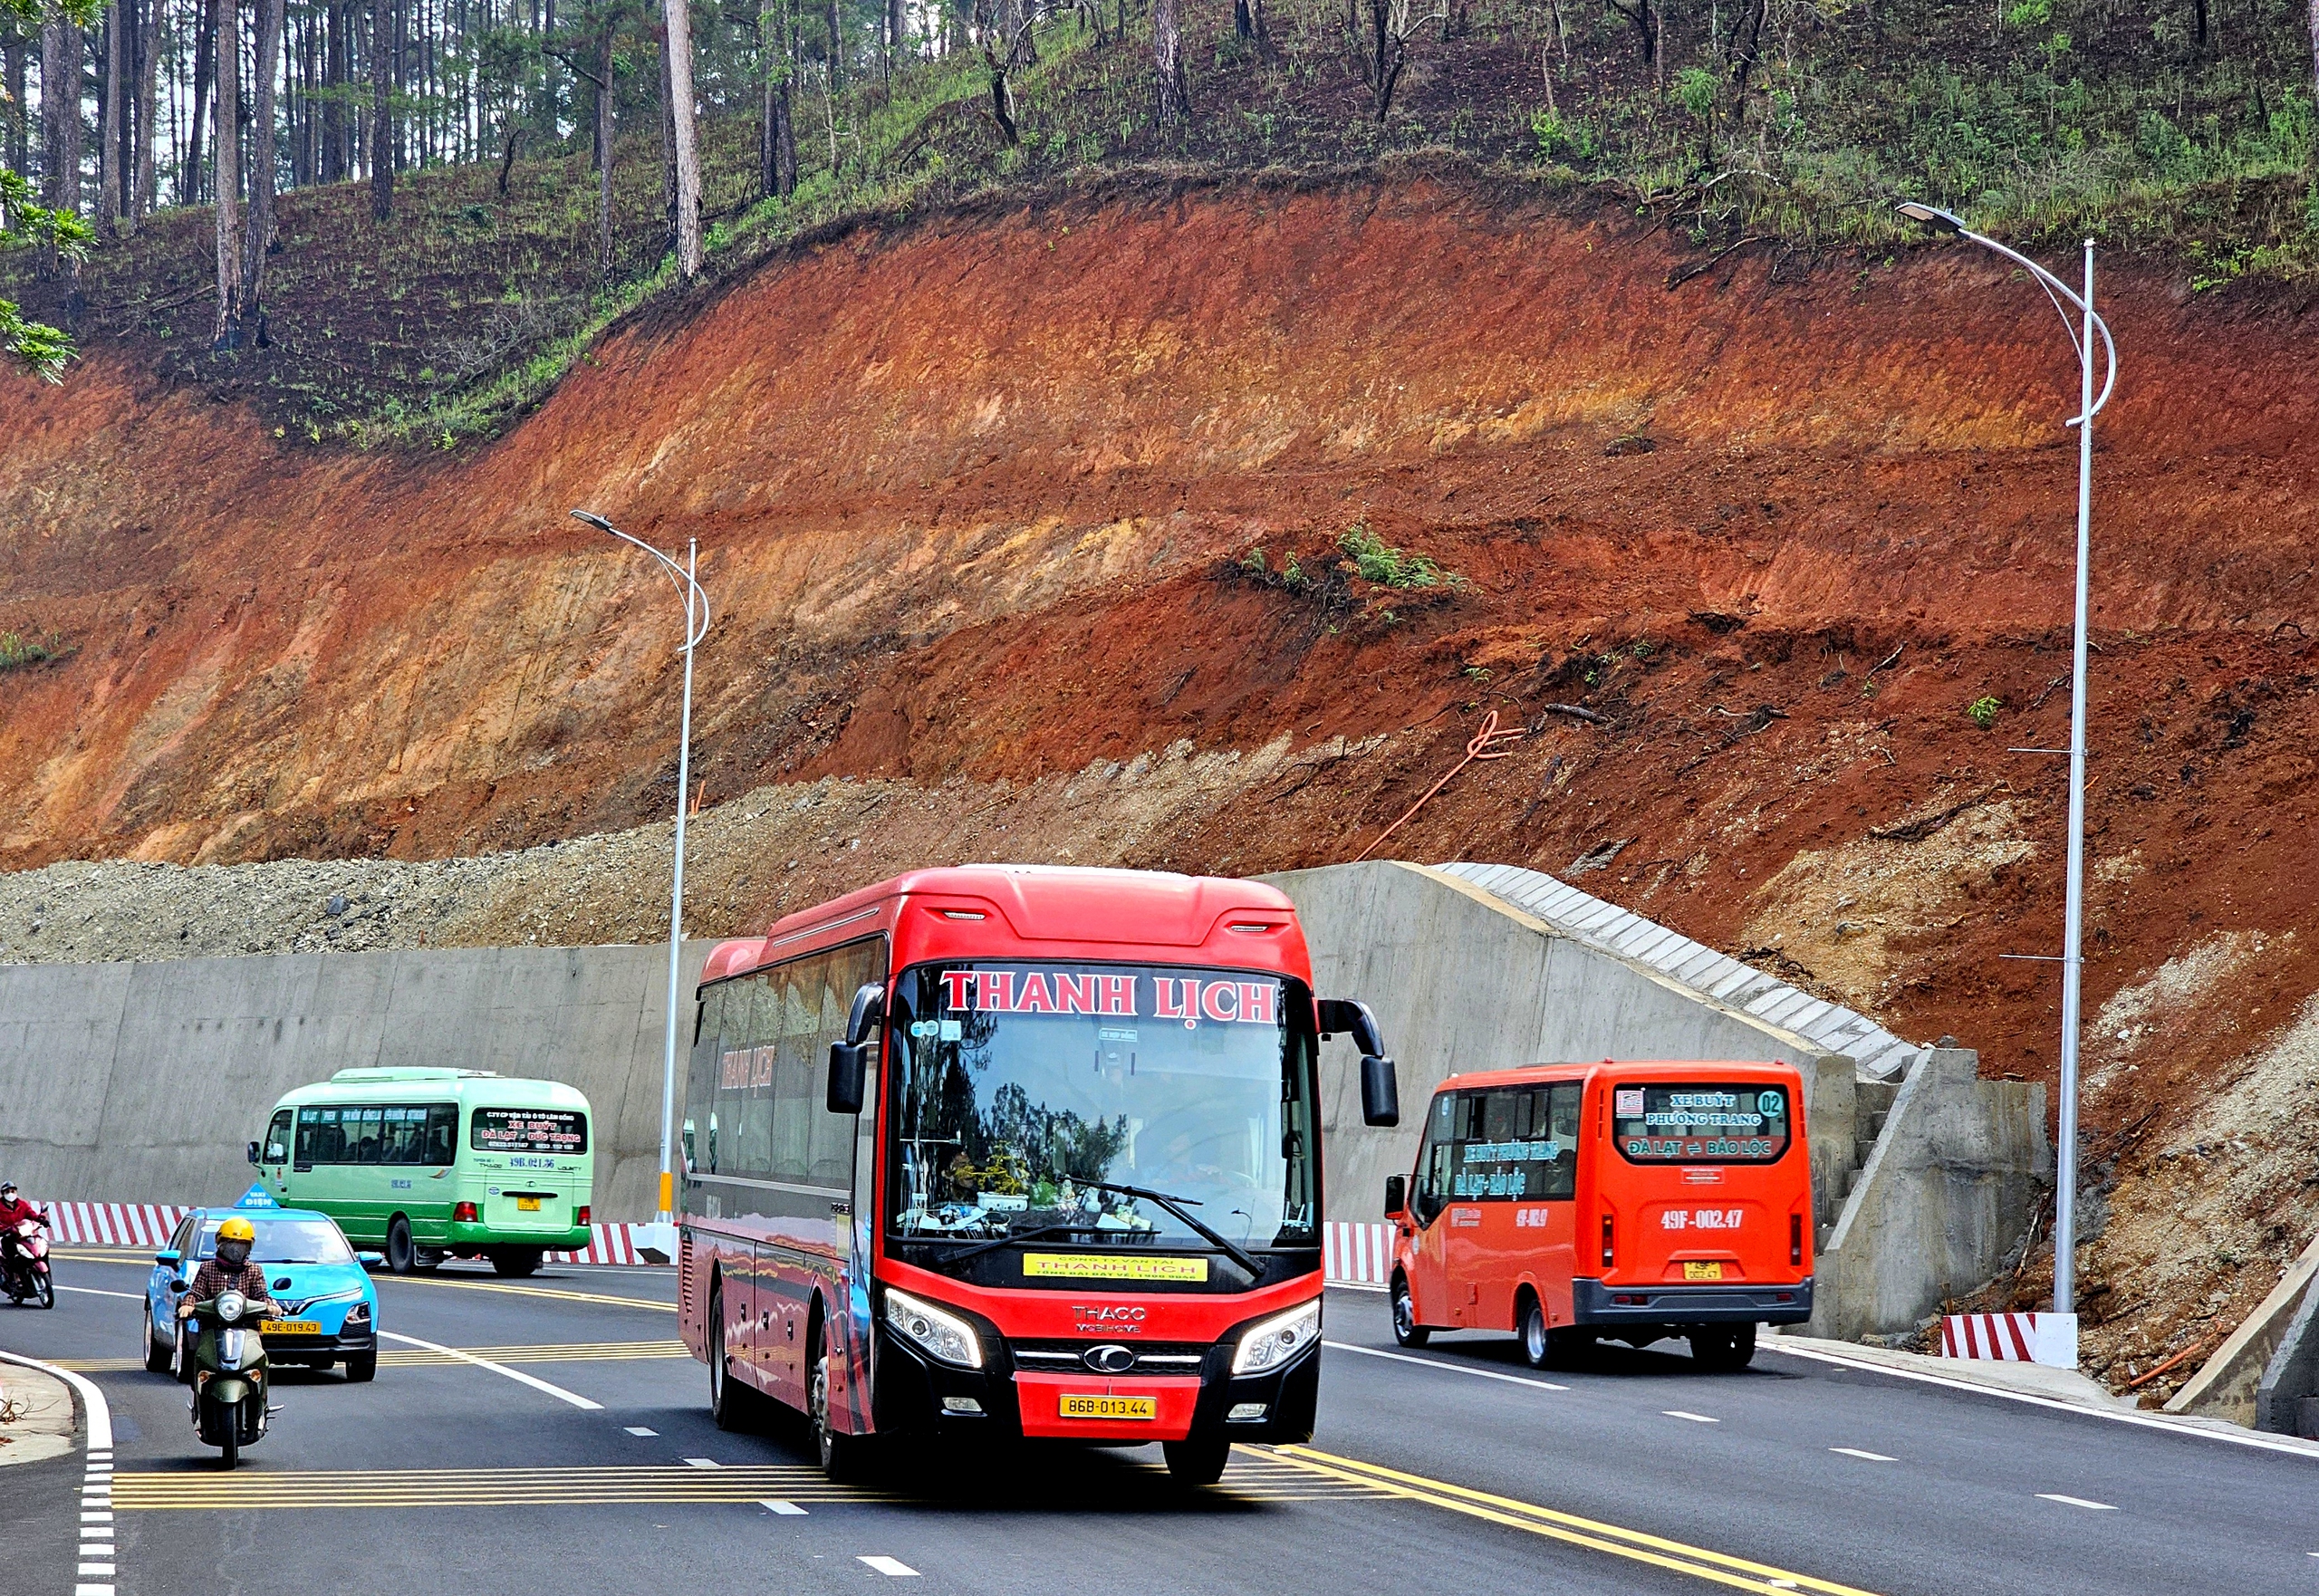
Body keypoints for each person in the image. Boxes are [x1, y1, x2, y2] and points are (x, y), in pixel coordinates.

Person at [178, 1216, 278, 1323]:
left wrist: (270, 1306)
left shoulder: (253, 1270)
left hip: (247, 1326)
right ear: (219, 1242)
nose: (235, 1249)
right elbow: (196, 1293)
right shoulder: (207, 1268)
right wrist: (188, 1305)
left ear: (249, 1247)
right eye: (230, 1243)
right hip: (213, 1326)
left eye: (241, 1245)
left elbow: (261, 1295)